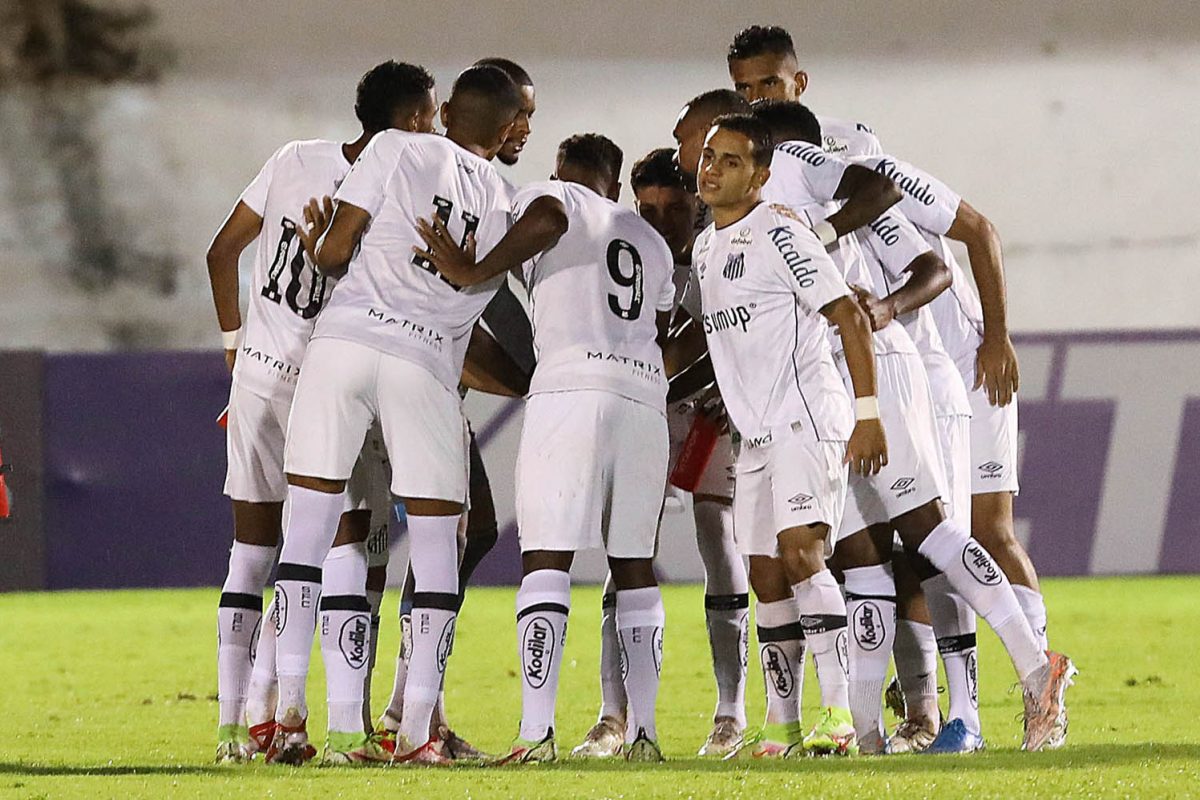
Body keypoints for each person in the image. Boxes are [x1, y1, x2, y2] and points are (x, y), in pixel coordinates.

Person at [754, 105, 1076, 755]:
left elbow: (901, 205)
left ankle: (1030, 674)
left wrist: (823, 229)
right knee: (863, 555)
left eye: (716, 151)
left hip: (896, 371)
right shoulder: (745, 222)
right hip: (830, 381)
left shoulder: (799, 162)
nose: (706, 165)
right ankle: (867, 733)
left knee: (935, 534)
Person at [267, 64, 524, 766]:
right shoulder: (506, 199)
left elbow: (337, 252)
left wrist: (322, 244)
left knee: (308, 533)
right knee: (441, 544)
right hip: (424, 361)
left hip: (344, 342)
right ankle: (415, 733)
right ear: (505, 132)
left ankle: (289, 718)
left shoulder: (390, 148)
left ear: (445, 116)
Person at [204, 60, 437, 764]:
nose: (435, 127)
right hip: (324, 386)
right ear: (412, 122)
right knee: (339, 548)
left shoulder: (293, 159)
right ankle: (313, 722)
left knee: (251, 553)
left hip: (257, 379)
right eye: (430, 115)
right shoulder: (396, 190)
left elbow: (221, 254)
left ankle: (235, 730)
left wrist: (233, 349)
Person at [417, 133, 677, 764]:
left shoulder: (553, 194)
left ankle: (536, 734)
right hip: (644, 395)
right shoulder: (651, 241)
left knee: (547, 560)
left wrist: (473, 271)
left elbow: (549, 217)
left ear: (565, 171)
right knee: (635, 565)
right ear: (615, 185)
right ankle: (643, 733)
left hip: (569, 386)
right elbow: (662, 325)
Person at [685, 113, 888, 757]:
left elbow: (849, 317)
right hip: (757, 434)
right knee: (766, 575)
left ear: (762, 177)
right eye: (710, 156)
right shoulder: (705, 247)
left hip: (808, 416)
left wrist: (867, 413)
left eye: (732, 161)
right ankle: (781, 722)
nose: (712, 168)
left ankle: (839, 715)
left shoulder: (779, 231)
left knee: (803, 553)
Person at [377, 56, 538, 762]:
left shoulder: (422, 171)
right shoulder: (473, 192)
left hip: (378, 376)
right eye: (520, 115)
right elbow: (459, 311)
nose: (525, 128)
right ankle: (411, 717)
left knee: (449, 537)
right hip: (410, 384)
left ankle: (395, 705)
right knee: (446, 537)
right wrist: (528, 376)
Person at [571, 147, 749, 759]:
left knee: (717, 534)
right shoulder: (625, 255)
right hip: (645, 409)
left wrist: (728, 386)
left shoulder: (716, 252)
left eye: (673, 208)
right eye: (647, 207)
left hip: (704, 410)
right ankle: (612, 715)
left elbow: (742, 328)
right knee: (628, 550)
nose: (659, 219)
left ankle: (730, 712)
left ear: (695, 206)